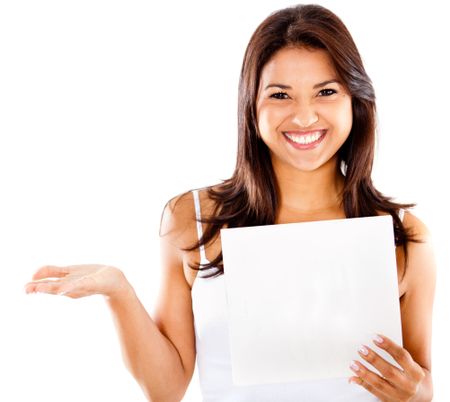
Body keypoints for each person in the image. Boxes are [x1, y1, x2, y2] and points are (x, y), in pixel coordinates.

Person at [24, 4, 436, 401]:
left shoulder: (403, 234)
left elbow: (423, 385)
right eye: (280, 95)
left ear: (355, 100)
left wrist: (416, 393)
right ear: (250, 107)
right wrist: (118, 290)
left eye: (326, 91)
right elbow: (165, 391)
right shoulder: (195, 219)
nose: (305, 116)